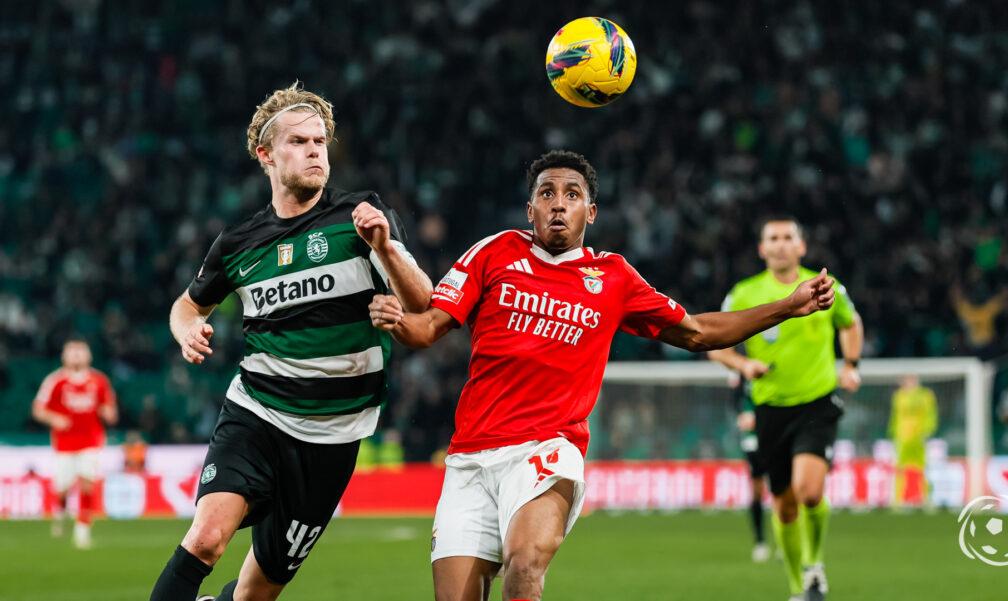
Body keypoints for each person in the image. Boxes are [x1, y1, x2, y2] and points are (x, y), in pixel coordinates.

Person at [368, 150, 837, 601]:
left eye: (571, 194)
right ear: (529, 208)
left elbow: (697, 332)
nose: (558, 203)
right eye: (546, 193)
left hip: (549, 448)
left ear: (589, 212)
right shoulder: (495, 252)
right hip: (471, 457)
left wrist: (788, 307)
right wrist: (396, 320)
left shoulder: (611, 276)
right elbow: (428, 326)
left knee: (526, 562)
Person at [148, 82, 432, 601]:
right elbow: (187, 304)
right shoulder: (238, 244)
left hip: (334, 436)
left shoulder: (362, 217)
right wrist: (187, 327)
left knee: (256, 591)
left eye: (320, 142)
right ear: (266, 154)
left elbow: (422, 303)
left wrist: (386, 248)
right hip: (258, 411)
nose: (315, 151)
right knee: (207, 538)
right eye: (299, 142)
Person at [708, 217, 863, 601]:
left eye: (787, 237)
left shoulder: (824, 286)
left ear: (801, 246)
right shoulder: (744, 294)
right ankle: (798, 588)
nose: (779, 245)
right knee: (785, 504)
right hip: (770, 408)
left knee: (809, 491)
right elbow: (715, 344)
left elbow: (851, 323)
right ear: (762, 249)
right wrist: (744, 366)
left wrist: (851, 364)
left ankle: (814, 566)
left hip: (817, 400)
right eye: (772, 239)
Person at [31, 338, 118, 549]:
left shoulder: (99, 380)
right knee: (62, 488)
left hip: (91, 441)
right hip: (64, 444)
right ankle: (60, 514)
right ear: (64, 356)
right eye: (73, 351)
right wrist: (55, 419)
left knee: (87, 483)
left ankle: (82, 530)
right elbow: (38, 409)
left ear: (89, 355)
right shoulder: (55, 381)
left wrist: (108, 413)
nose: (77, 355)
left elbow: (111, 411)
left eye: (81, 351)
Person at [730, 372, 770, 562]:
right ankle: (760, 541)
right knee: (757, 490)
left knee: (784, 490)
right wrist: (742, 414)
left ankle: (787, 540)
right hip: (753, 440)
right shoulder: (743, 371)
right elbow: (736, 398)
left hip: (776, 434)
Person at [887, 375, 938, 507]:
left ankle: (926, 498)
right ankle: (897, 500)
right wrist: (892, 433)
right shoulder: (898, 396)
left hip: (919, 437)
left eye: (912, 379)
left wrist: (928, 430)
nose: (909, 382)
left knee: (923, 469)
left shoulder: (925, 395)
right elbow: (895, 417)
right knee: (900, 469)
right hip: (902, 437)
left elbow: (930, 414)